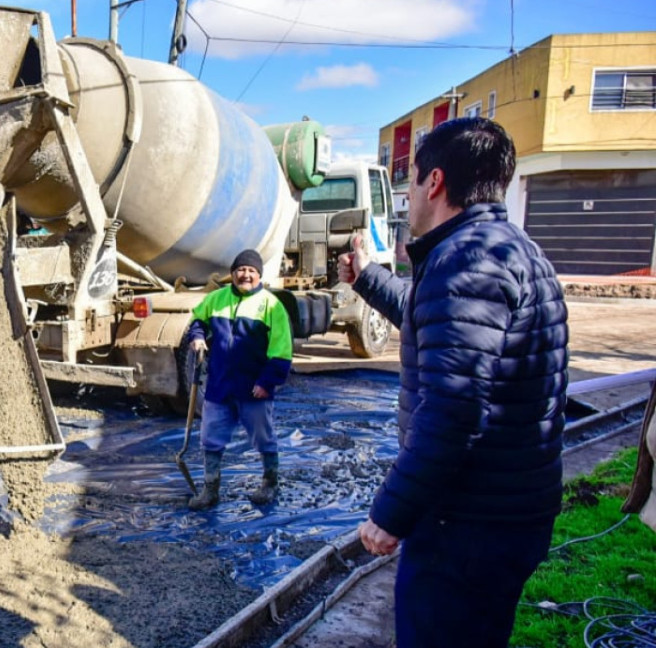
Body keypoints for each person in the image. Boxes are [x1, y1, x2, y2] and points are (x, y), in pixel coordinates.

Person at [338, 117, 568, 648]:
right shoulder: (505, 248)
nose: (410, 196)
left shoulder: (465, 259)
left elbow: (454, 409)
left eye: (413, 180)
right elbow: (439, 322)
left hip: (468, 523)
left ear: (434, 182)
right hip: (506, 510)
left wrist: (390, 513)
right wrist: (369, 277)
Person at [185, 249, 293, 510]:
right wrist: (197, 337)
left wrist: (267, 382)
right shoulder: (216, 299)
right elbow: (197, 321)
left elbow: (281, 350)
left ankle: (270, 483)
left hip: (254, 389)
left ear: (259, 276)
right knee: (210, 439)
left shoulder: (271, 306)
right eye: (241, 270)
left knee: (264, 438)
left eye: (251, 271)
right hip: (219, 387)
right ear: (233, 273)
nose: (245, 275)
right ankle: (210, 489)